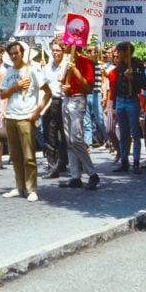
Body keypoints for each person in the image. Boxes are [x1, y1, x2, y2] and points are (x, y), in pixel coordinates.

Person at [0, 41, 52, 202]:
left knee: (29, 155)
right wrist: (16, 87)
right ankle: (19, 186)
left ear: (23, 53)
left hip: (26, 117)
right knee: (15, 155)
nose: (14, 56)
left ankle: (31, 188)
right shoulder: (8, 72)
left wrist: (38, 112)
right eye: (11, 54)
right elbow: (2, 94)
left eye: (17, 53)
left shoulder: (33, 70)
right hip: (11, 117)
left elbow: (48, 92)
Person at [59, 45, 100, 190]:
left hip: (78, 99)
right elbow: (64, 82)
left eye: (66, 44)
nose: (64, 46)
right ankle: (75, 176)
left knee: (76, 138)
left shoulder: (86, 62)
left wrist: (75, 71)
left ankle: (92, 173)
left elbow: (88, 88)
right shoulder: (67, 60)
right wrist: (64, 87)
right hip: (67, 98)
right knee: (69, 140)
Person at [112, 41, 146, 174]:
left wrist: (131, 78)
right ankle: (124, 160)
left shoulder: (137, 64)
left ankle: (136, 161)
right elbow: (116, 86)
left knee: (135, 133)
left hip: (132, 100)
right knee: (123, 133)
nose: (117, 54)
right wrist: (115, 105)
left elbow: (144, 84)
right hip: (121, 101)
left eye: (120, 51)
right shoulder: (120, 66)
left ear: (126, 52)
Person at [41, 39, 67, 178]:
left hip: (65, 101)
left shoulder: (68, 65)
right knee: (50, 135)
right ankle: (53, 167)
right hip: (50, 102)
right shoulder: (47, 68)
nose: (55, 53)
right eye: (53, 50)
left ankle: (66, 162)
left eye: (58, 50)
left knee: (66, 135)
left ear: (63, 51)